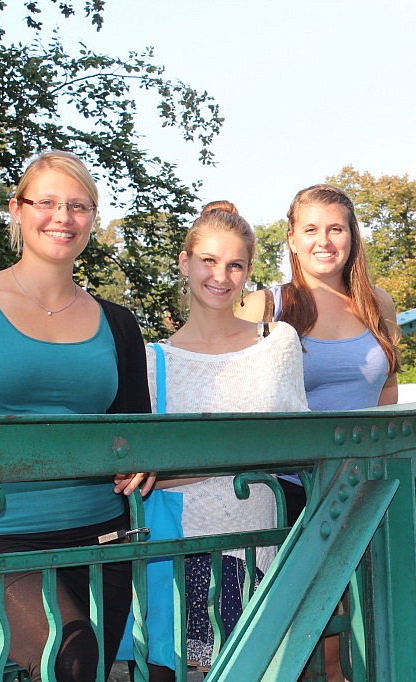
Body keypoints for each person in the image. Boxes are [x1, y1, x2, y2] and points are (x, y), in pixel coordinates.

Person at [0, 150, 153, 681]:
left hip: (101, 541)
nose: (62, 217)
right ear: (16, 210)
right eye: (46, 202)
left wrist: (143, 461)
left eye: (78, 205)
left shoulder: (117, 324)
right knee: (70, 656)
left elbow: (135, 434)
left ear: (92, 218)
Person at [119, 203, 309, 680]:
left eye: (235, 265)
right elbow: (134, 469)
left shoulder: (276, 341)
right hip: (175, 551)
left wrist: (181, 468)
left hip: (255, 547)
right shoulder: (152, 361)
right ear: (184, 263)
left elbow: (294, 443)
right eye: (208, 260)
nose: (221, 276)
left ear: (248, 271)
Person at [238, 183, 401, 680]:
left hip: (367, 489)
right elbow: (228, 393)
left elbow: (387, 391)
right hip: (292, 495)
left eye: (336, 229)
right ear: (291, 238)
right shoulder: (265, 306)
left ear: (352, 236)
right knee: (304, 636)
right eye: (310, 229)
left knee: (373, 626)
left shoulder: (378, 303)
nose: (323, 241)